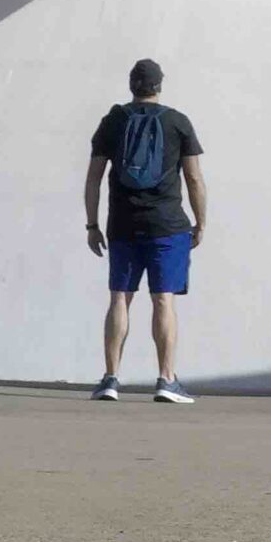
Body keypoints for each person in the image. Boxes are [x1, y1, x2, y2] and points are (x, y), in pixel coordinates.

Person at [84, 58, 206, 403]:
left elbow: (93, 177)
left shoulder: (113, 121)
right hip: (167, 226)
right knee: (163, 299)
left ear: (131, 86)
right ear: (159, 86)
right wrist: (201, 222)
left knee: (120, 298)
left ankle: (110, 379)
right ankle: (166, 380)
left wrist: (92, 224)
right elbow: (194, 178)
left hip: (122, 224)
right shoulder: (178, 122)